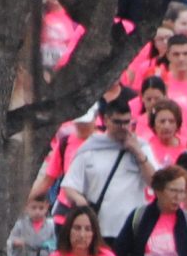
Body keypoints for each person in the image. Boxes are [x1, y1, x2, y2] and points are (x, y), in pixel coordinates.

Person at [57, 92, 156, 236]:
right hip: (99, 229)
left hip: (132, 229)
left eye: (127, 122)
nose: (123, 127)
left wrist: (138, 153)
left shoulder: (141, 147)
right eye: (118, 122)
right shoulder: (90, 148)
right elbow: (69, 185)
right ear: (106, 120)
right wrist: (82, 203)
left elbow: (155, 182)